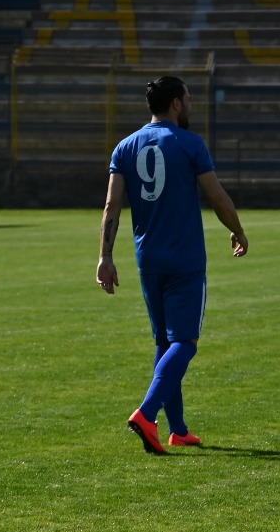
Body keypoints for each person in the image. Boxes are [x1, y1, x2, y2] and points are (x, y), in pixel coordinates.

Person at [98, 76, 248, 455]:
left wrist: (105, 256)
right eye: (189, 97)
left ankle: (178, 429)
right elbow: (218, 197)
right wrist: (238, 230)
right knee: (185, 342)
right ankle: (147, 414)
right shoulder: (190, 144)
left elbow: (111, 207)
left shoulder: (125, 147)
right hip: (184, 259)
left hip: (147, 258)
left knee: (164, 343)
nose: (191, 102)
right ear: (177, 104)